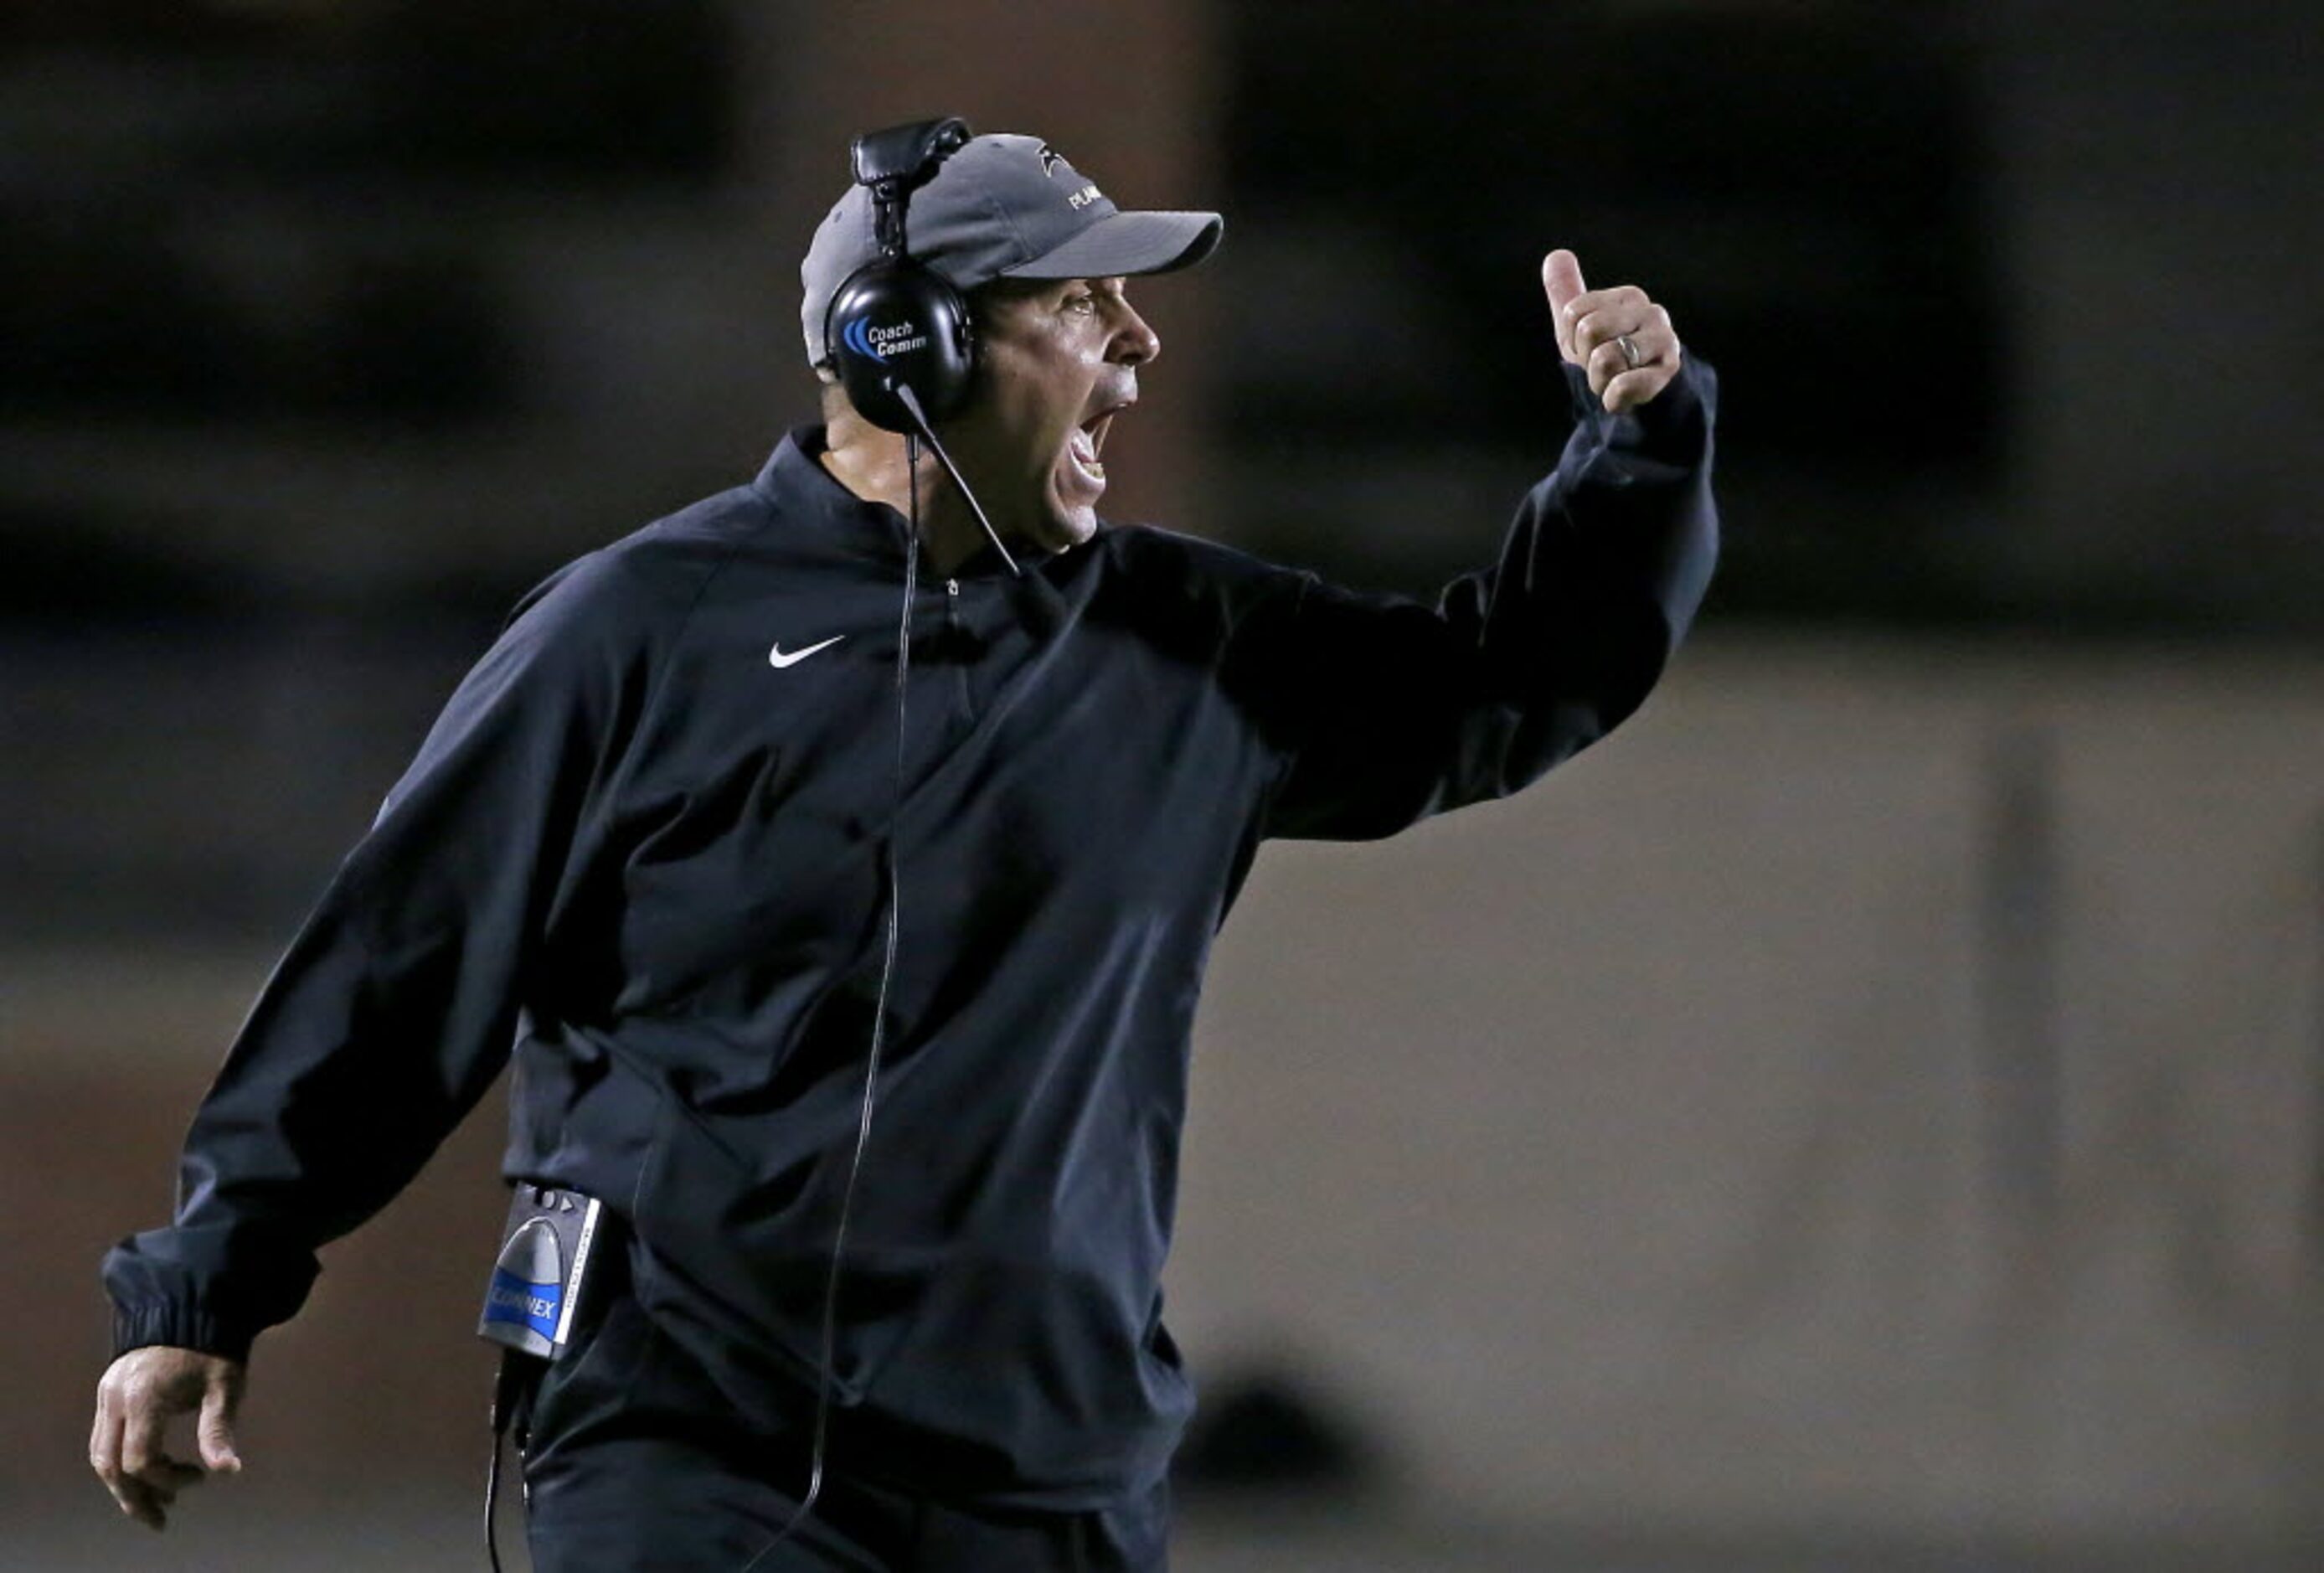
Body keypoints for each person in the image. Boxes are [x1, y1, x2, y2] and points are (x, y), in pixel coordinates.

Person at [90, 125, 1718, 1572]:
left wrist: (1631, 454)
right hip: (690, 1446)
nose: (1135, 349)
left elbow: (1506, 682)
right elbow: (400, 966)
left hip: (1047, 1465)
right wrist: (205, 1292)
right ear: (908, 344)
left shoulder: (1190, 645)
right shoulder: (639, 631)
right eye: (1081, 307)